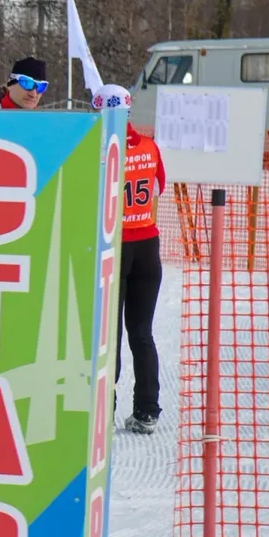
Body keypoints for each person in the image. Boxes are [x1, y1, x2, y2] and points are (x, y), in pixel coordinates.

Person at [97, 85, 166, 433]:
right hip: (148, 245)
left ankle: (104, 410)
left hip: (114, 246)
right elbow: (158, 187)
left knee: (107, 334)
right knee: (141, 332)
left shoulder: (98, 148)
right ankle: (147, 410)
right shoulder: (150, 146)